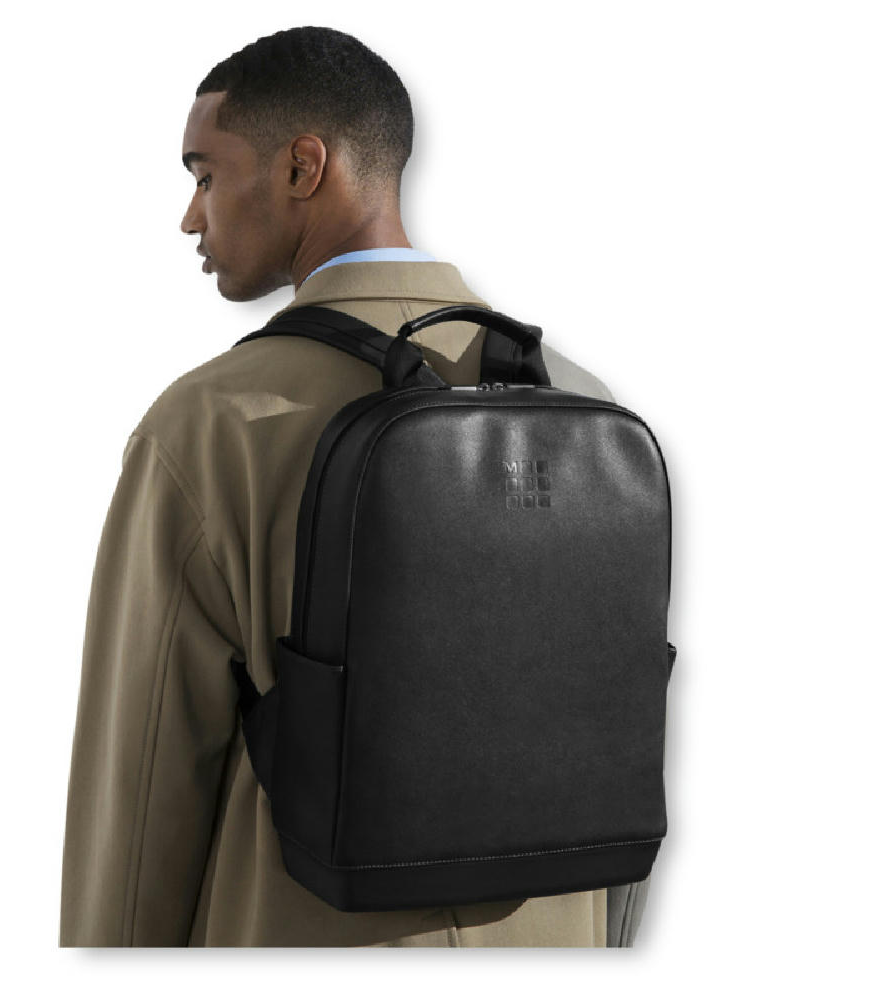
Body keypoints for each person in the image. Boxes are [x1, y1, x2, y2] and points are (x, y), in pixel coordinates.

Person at [59, 24, 651, 947]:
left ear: (304, 167)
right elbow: (621, 738)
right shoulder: (582, 400)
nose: (190, 217)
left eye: (205, 176)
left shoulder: (212, 424)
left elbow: (141, 789)